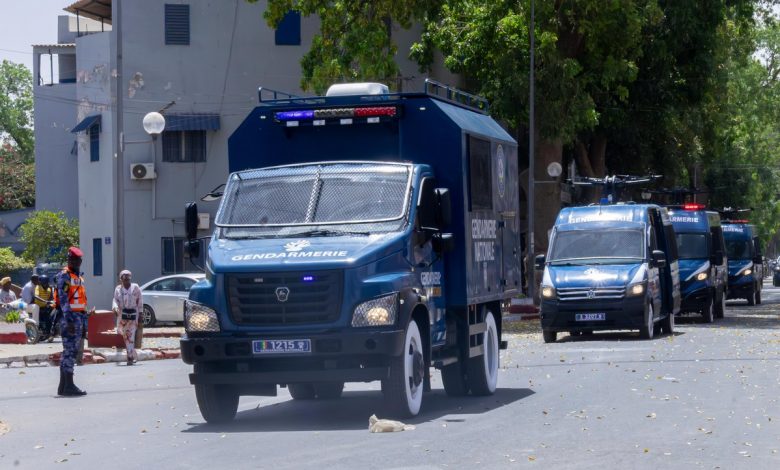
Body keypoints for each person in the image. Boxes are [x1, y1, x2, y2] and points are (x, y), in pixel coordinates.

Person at [55, 247, 94, 397]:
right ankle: (69, 386)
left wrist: (85, 314)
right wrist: (70, 321)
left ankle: (63, 386)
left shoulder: (78, 277)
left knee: (69, 352)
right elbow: (64, 300)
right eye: (72, 260)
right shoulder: (64, 276)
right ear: (69, 260)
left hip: (79, 318)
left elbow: (78, 299)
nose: (75, 262)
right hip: (70, 320)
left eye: (77, 260)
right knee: (70, 353)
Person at [111, 270, 143, 366]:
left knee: (130, 335)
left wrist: (141, 313)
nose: (126, 281)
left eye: (128, 279)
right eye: (124, 279)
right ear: (121, 279)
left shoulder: (136, 287)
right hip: (122, 316)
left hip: (133, 315)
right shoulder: (118, 289)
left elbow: (140, 300)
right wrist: (115, 308)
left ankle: (130, 357)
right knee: (126, 336)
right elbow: (115, 300)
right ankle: (133, 353)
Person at [34, 276, 56, 343]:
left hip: (45, 307)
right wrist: (45, 301)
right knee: (38, 321)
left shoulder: (49, 289)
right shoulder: (38, 287)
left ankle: (49, 333)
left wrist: (50, 301)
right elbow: (36, 296)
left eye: (47, 283)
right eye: (45, 283)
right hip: (38, 307)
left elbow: (51, 298)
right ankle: (37, 333)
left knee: (49, 320)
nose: (46, 285)